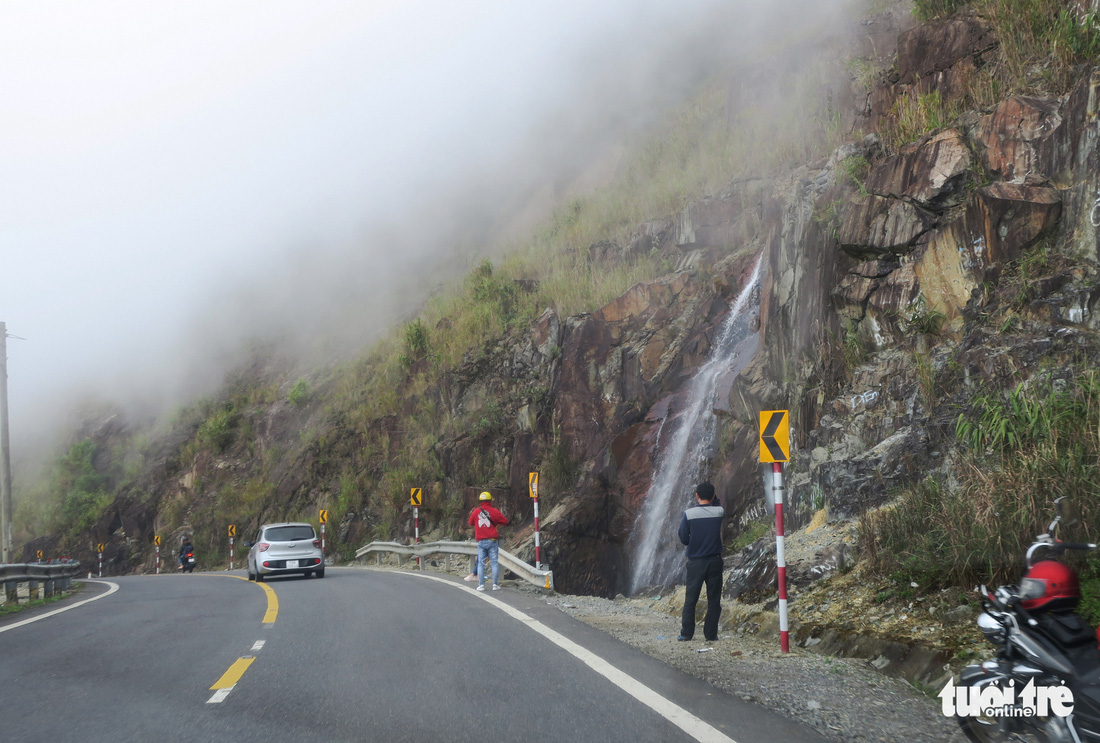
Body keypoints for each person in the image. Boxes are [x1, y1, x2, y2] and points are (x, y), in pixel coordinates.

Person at [677, 481, 725, 642]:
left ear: (696, 495)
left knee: (691, 599)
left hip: (696, 562)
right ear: (713, 496)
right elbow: (716, 503)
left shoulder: (689, 514)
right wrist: (713, 497)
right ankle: (711, 635)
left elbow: (683, 538)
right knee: (714, 600)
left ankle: (686, 634)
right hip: (715, 561)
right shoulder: (719, 511)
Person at [467, 491, 509, 592]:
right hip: (492, 540)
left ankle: (481, 585)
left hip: (481, 541)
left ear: (480, 501)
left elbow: (470, 522)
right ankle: (495, 585)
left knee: (481, 563)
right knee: (494, 563)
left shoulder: (476, 511)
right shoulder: (494, 511)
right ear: (490, 501)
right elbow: (505, 521)